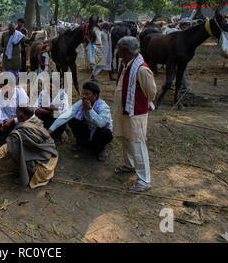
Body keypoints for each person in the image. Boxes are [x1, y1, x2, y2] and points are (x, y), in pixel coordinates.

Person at [113, 36, 157, 193]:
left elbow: (151, 92)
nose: (117, 50)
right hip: (124, 110)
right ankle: (130, 165)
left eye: (118, 47)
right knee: (126, 139)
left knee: (137, 143)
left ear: (125, 50)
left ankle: (144, 180)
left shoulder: (141, 69)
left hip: (135, 112)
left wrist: (141, 103)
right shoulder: (125, 64)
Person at [0, 106, 58, 189]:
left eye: (16, 115)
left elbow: (5, 148)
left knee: (14, 148)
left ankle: (32, 173)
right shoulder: (36, 121)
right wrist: (12, 120)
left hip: (42, 171)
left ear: (21, 117)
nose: (15, 116)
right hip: (52, 160)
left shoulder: (21, 132)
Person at [49, 82, 113, 161]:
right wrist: (51, 129)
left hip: (99, 132)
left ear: (95, 95)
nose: (84, 97)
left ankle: (101, 148)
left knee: (104, 131)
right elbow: (67, 115)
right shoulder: (81, 103)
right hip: (89, 129)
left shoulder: (103, 107)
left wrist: (90, 109)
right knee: (72, 120)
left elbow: (101, 123)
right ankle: (81, 142)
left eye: (87, 94)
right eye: (83, 94)